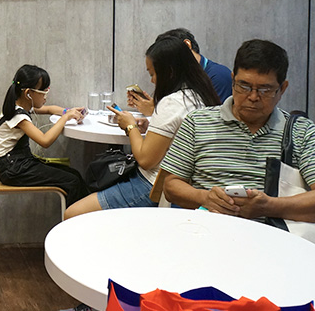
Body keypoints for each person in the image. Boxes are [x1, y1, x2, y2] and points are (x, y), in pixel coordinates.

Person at [161, 39, 315, 222]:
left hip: (273, 233)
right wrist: (205, 197)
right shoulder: (197, 122)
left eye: (265, 89)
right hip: (209, 228)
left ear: (282, 89)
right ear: (232, 80)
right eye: (244, 86)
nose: (253, 97)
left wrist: (269, 207)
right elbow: (170, 185)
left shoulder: (301, 131)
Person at [63, 37, 220, 218]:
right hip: (182, 185)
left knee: (72, 214)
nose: (152, 81)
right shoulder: (200, 96)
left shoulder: (173, 102)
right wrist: (151, 124)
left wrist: (130, 126)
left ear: (169, 72)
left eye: (153, 74)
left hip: (151, 185)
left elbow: (146, 159)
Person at [0, 65, 88, 207]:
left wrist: (68, 111)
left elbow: (50, 109)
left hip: (16, 164)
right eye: (43, 91)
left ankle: (81, 214)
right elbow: (45, 141)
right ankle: (75, 218)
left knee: (74, 175)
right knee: (72, 181)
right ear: (28, 93)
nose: (46, 96)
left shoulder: (18, 106)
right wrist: (65, 118)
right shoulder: (19, 117)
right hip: (13, 170)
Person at [128, 28, 233, 115]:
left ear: (186, 46)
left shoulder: (219, 76)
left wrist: (156, 112)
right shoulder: (179, 79)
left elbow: (207, 123)